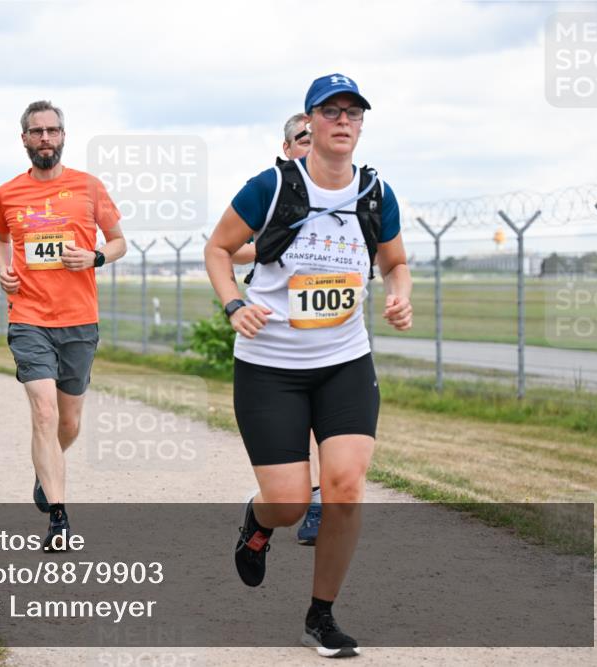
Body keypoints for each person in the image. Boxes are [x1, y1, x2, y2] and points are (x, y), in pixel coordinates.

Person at [204, 73, 412, 658]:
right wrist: (234, 303)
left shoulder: (376, 194)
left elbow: (395, 262)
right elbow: (217, 250)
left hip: (345, 360)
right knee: (293, 501)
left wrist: (400, 293)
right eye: (331, 111)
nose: (343, 121)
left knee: (344, 486)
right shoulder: (269, 188)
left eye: (354, 113)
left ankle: (321, 616)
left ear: (361, 125)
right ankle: (261, 521)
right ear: (310, 122)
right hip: (269, 366)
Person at [0, 100, 126, 551]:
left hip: (79, 320)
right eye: (36, 131)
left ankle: (44, 472)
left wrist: (96, 257)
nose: (45, 138)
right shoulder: (7, 193)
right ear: (24, 139)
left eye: (52, 130)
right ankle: (60, 519)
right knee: (44, 412)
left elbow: (119, 241)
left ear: (63, 136)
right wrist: (2, 268)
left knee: (68, 423)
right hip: (28, 317)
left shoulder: (88, 188)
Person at [233, 112, 324, 547]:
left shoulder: (346, 191)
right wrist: (264, 248)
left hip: (330, 329)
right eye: (303, 139)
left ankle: (321, 502)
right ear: (287, 148)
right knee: (300, 423)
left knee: (330, 421)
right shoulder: (269, 189)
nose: (313, 143)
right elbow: (226, 250)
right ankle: (292, 500)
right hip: (276, 332)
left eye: (316, 136)